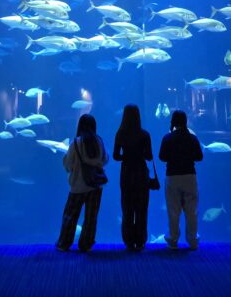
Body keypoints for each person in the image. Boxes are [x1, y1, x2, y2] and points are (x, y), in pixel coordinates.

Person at [56, 114, 108, 252]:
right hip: (95, 186)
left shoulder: (75, 143)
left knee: (70, 215)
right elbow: (105, 160)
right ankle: (86, 244)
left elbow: (68, 165)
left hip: (77, 186)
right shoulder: (99, 141)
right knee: (91, 217)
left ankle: (64, 243)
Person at [158, 110, 203, 250]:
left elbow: (162, 157)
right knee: (192, 210)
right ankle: (192, 239)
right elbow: (199, 157)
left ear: (173, 122)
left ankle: (173, 239)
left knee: (173, 210)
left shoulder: (167, 138)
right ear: (185, 121)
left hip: (172, 176)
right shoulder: (193, 138)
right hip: (190, 176)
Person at [113, 104, 153, 251]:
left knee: (127, 207)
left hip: (126, 173)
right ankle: (141, 240)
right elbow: (149, 156)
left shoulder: (120, 134)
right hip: (141, 173)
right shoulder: (145, 134)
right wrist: (139, 154)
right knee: (142, 208)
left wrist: (127, 156)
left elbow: (116, 156)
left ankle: (129, 240)